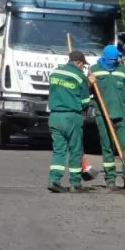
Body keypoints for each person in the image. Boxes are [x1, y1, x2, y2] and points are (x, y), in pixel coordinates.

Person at [90, 44, 125, 191]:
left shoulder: (122, 70)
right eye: (113, 58)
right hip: (103, 115)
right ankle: (110, 179)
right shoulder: (94, 70)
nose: (115, 61)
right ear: (105, 58)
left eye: (117, 58)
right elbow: (86, 91)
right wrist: (89, 83)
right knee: (107, 147)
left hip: (121, 115)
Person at [47, 50, 92, 193]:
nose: (83, 68)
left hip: (54, 117)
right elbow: (85, 102)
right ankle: (75, 183)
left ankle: (54, 180)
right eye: (82, 65)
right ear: (78, 62)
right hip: (71, 117)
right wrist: (90, 85)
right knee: (75, 150)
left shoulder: (55, 73)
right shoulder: (80, 77)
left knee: (59, 150)